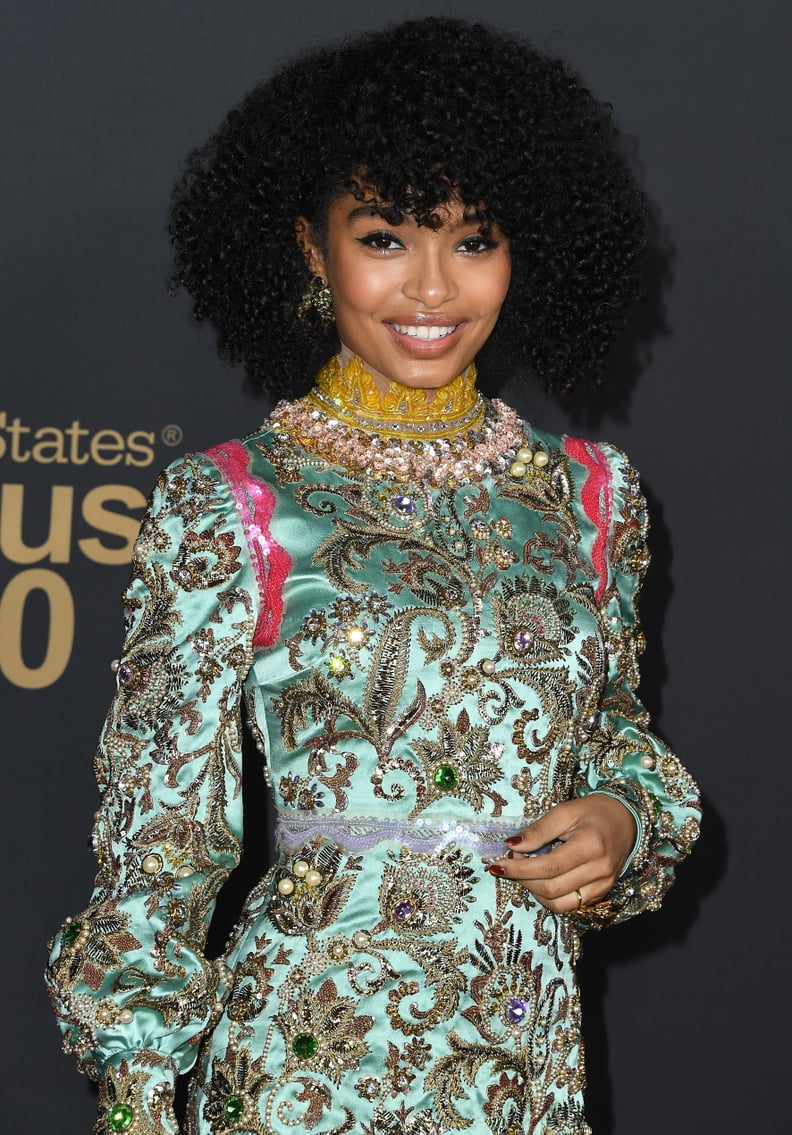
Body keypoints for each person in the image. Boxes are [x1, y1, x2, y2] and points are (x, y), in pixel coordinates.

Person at [46, 17, 701, 1135]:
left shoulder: (591, 496)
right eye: (388, 237)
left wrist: (625, 819)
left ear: (523, 246)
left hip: (519, 1055)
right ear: (313, 247)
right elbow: (159, 852)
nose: (434, 289)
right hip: (303, 1057)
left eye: (476, 237)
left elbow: (616, 741)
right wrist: (141, 1102)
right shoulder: (234, 502)